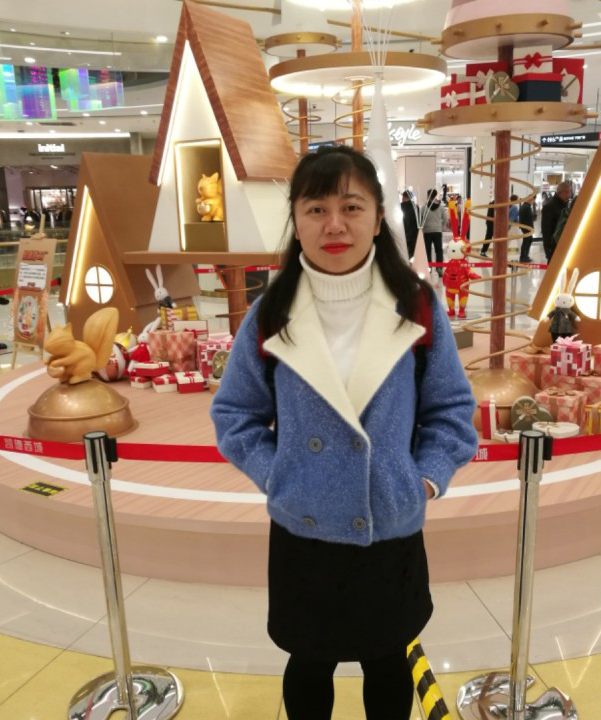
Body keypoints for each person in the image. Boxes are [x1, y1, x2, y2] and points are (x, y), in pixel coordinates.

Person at [210, 145, 478, 720]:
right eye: (316, 209)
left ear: (378, 218)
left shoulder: (416, 305)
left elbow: (452, 411)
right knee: (309, 662)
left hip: (391, 522)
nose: (335, 224)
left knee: (389, 662)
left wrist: (423, 479)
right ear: (296, 220)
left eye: (352, 207)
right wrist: (280, 476)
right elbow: (235, 415)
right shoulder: (271, 313)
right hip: (303, 528)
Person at [541, 181, 572, 261]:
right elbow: (546, 230)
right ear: (560, 192)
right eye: (567, 192)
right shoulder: (550, 206)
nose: (569, 195)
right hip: (554, 246)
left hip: (563, 245)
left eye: (569, 192)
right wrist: (548, 249)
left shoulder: (565, 205)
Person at [422, 189, 447, 275]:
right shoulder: (441, 207)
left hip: (427, 232)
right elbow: (445, 218)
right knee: (439, 250)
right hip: (437, 232)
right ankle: (439, 268)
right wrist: (441, 226)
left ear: (428, 196)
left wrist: (424, 227)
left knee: (427, 251)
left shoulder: (424, 207)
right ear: (435, 196)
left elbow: (421, 220)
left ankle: (429, 268)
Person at [518, 193, 538, 263]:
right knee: (526, 241)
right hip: (527, 227)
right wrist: (534, 216)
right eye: (533, 199)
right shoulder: (526, 207)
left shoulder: (524, 206)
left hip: (525, 227)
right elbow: (529, 218)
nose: (533, 201)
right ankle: (523, 257)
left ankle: (525, 256)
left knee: (528, 240)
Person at [400, 190, 418, 258]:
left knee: (403, 252)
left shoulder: (400, 207)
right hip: (414, 233)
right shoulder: (415, 207)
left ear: (403, 197)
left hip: (403, 232)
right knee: (413, 252)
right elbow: (419, 220)